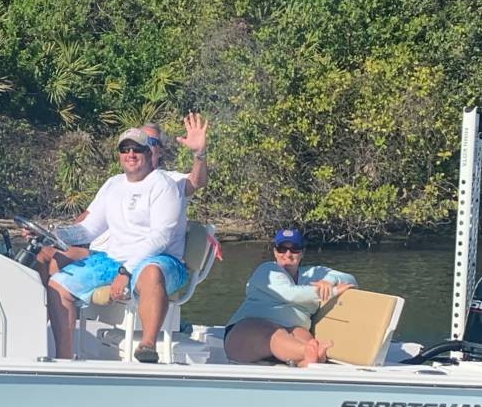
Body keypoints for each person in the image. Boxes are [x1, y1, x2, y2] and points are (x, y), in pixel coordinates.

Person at [46, 129, 188, 363]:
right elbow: (89, 229)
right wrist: (52, 234)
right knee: (58, 284)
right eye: (125, 149)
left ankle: (147, 348)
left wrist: (126, 271)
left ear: (149, 152)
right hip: (114, 260)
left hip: (162, 260)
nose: (131, 154)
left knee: (151, 273)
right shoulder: (113, 184)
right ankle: (63, 359)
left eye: (137, 149)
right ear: (119, 155)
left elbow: (160, 238)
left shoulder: (164, 186)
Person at [222, 227, 355, 368]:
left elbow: (351, 280)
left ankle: (310, 359)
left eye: (294, 249)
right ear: (275, 251)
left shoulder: (314, 274)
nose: (288, 254)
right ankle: (308, 351)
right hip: (250, 330)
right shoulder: (267, 270)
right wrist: (332, 291)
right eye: (282, 249)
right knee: (274, 334)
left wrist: (330, 280)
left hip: (293, 330)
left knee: (302, 334)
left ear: (302, 252)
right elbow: (290, 294)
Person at [140, 113, 209, 199]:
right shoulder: (119, 181)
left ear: (160, 151)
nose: (144, 145)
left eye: (151, 141)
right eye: (139, 140)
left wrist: (199, 153)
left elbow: (197, 182)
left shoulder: (170, 181)